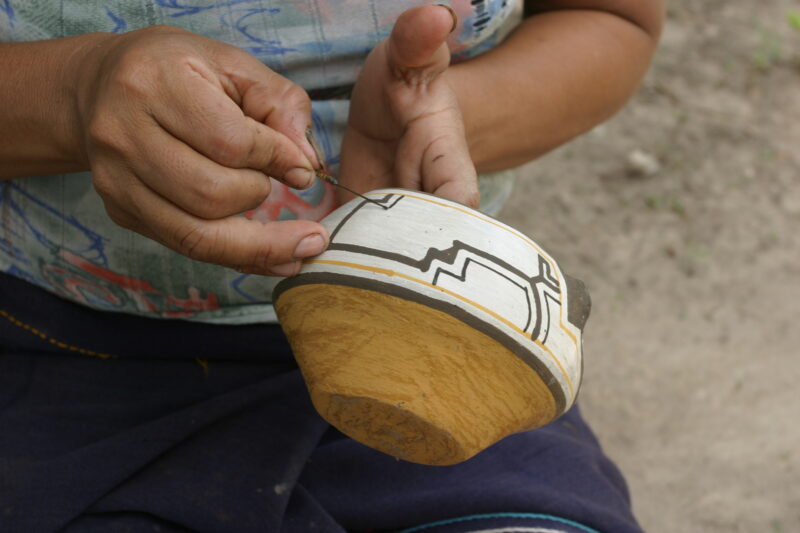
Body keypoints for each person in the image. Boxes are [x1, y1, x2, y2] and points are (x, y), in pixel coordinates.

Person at [0, 1, 663, 531]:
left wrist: (447, 114)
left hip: (444, 349)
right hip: (52, 341)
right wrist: (72, 92)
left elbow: (613, 18)